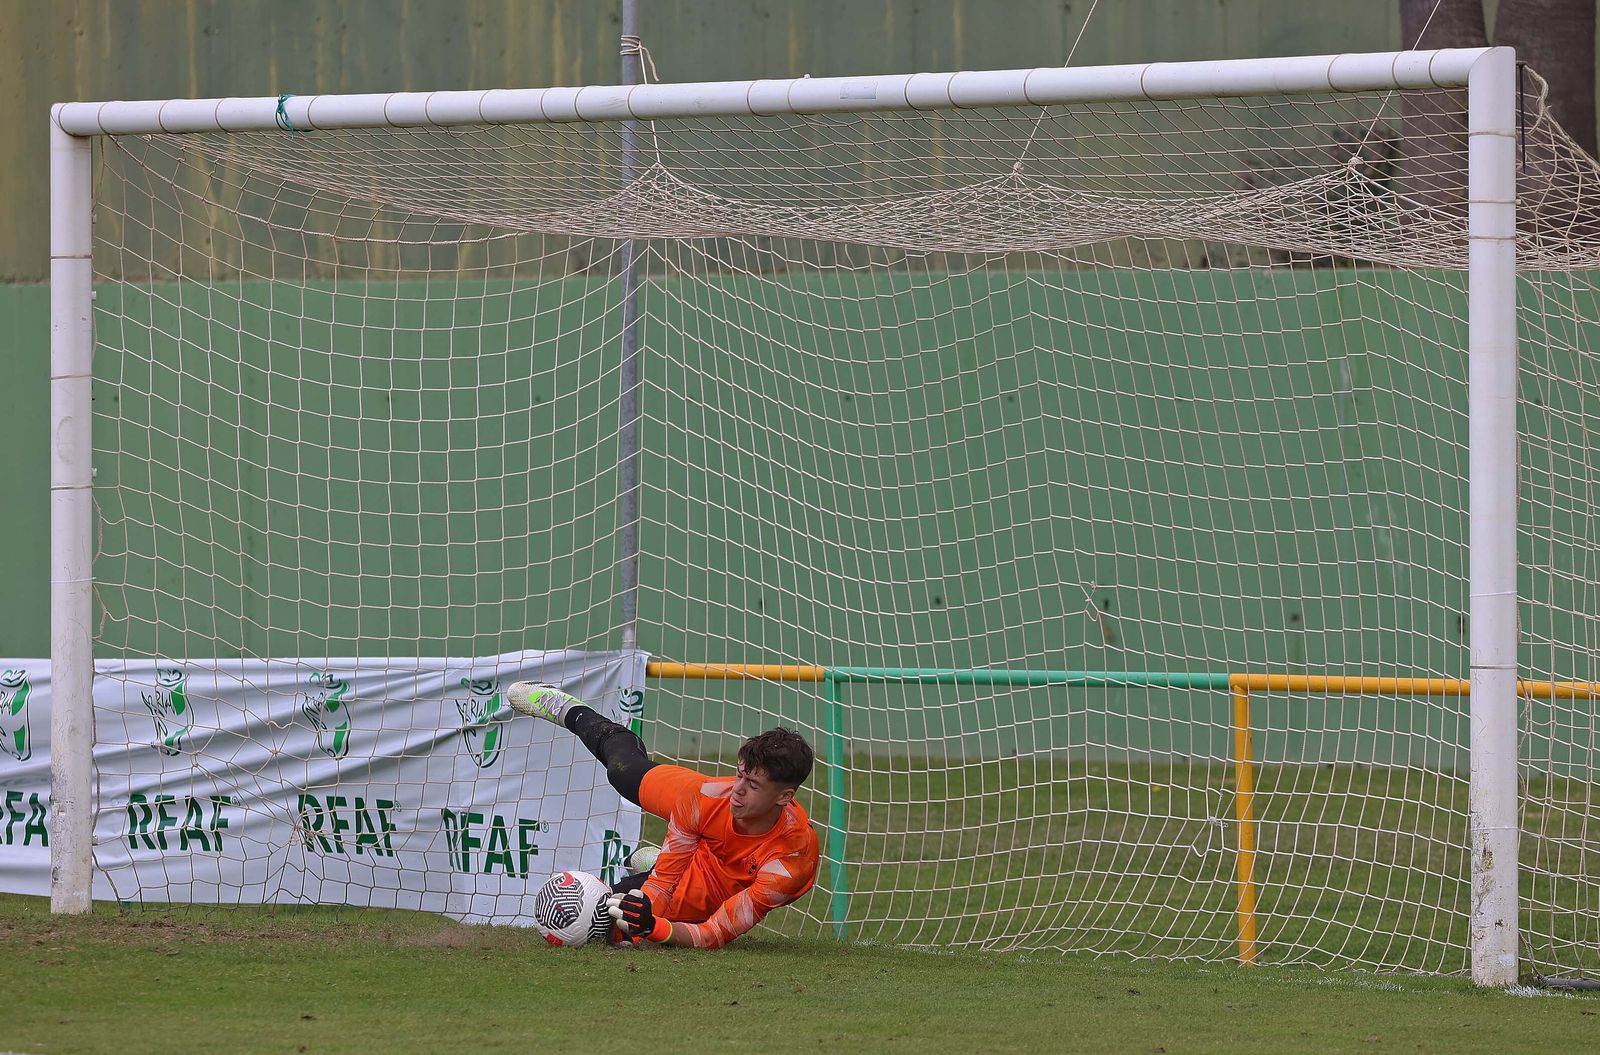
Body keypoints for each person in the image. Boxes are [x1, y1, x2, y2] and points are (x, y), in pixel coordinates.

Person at [506, 682, 819, 949]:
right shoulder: (705, 799)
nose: (738, 789)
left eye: (752, 785)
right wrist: (646, 906)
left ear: (784, 797)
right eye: (739, 775)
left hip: (711, 886)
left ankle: (657, 863)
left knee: (608, 923)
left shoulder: (791, 863)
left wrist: (649, 925)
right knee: (623, 773)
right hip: (697, 817)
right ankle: (566, 708)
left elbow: (715, 933)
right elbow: (661, 886)